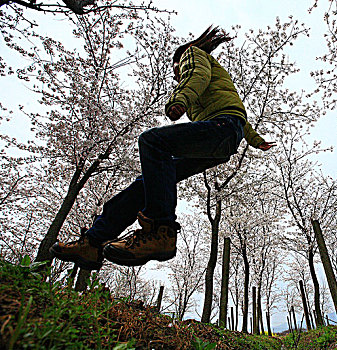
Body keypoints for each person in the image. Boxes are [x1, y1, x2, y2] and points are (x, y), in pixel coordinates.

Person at [50, 26, 275, 270]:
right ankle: (93, 242)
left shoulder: (192, 55)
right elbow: (240, 118)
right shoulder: (221, 85)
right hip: (223, 136)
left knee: (153, 141)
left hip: (221, 127)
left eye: (176, 72)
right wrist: (254, 140)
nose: (177, 77)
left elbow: (196, 76)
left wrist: (179, 99)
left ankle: (160, 230)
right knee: (146, 184)